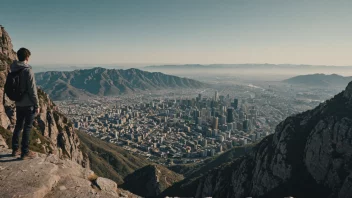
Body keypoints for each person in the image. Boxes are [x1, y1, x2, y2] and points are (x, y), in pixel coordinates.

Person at [10, 48, 40, 160]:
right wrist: (37, 105)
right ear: (27, 57)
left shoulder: (13, 69)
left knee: (18, 126)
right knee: (27, 127)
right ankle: (25, 153)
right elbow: (32, 90)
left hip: (18, 103)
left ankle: (15, 149)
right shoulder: (28, 70)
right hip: (28, 104)